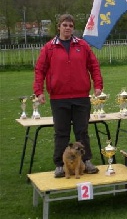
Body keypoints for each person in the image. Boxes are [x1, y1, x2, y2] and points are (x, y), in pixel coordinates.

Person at [33, 14, 103, 178]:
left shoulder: (83, 45)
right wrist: (39, 91)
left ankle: (86, 161)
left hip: (81, 97)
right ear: (59, 27)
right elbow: (40, 70)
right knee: (61, 132)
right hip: (59, 98)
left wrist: (98, 85)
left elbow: (94, 65)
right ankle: (59, 165)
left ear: (73, 28)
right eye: (65, 25)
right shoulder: (49, 48)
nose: (68, 28)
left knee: (82, 131)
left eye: (70, 25)